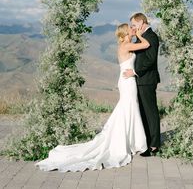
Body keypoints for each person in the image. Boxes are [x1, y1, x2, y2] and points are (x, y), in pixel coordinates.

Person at [35, 23, 149, 172]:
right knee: (128, 108)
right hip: (128, 82)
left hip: (127, 80)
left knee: (128, 109)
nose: (134, 29)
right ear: (126, 33)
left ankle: (130, 142)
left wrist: (136, 36)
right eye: (131, 29)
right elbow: (146, 44)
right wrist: (140, 35)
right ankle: (131, 143)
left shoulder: (126, 44)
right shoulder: (126, 46)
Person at [123, 13, 161, 156]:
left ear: (141, 22)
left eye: (134, 24)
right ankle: (145, 142)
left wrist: (135, 72)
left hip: (147, 80)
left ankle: (154, 145)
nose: (133, 27)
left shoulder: (151, 37)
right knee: (143, 112)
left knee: (150, 112)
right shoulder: (142, 37)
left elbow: (150, 60)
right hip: (139, 81)